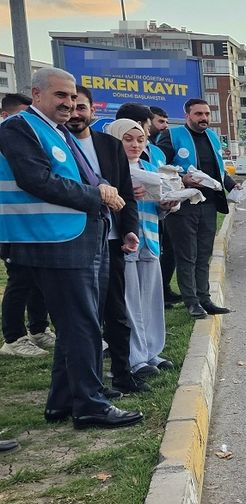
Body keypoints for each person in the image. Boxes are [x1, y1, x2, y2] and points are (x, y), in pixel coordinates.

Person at [0, 67, 143, 429]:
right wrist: (96, 195)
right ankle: (90, 405)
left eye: (72, 97)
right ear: (36, 95)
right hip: (51, 239)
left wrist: (101, 193)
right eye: (60, 96)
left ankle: (63, 401)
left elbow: (75, 178)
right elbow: (36, 180)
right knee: (82, 325)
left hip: (75, 234)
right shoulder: (20, 127)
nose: (68, 104)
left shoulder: (55, 131)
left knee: (75, 324)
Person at [67, 86, 151, 395]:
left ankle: (122, 373)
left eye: (81, 107)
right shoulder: (57, 143)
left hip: (112, 238)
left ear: (92, 111)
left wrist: (130, 229)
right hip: (74, 240)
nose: (75, 112)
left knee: (116, 311)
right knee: (84, 316)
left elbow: (125, 193)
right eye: (70, 106)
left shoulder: (108, 145)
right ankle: (91, 384)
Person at [107, 118, 176, 381]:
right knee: (129, 301)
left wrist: (167, 205)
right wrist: (125, 193)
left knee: (151, 299)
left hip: (150, 240)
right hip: (124, 241)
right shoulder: (111, 169)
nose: (135, 145)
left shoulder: (149, 168)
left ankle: (152, 351)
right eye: (128, 139)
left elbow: (158, 205)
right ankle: (134, 357)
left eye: (140, 140)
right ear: (116, 139)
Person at [157, 98, 237, 319]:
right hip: (183, 206)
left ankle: (205, 299)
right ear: (187, 116)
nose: (204, 118)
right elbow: (159, 169)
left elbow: (218, 171)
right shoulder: (172, 136)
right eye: (198, 114)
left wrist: (233, 186)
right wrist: (183, 179)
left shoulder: (212, 137)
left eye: (207, 114)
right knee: (187, 255)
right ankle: (191, 302)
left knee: (204, 254)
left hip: (209, 204)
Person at [0, 93, 54, 358]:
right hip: (10, 225)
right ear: (5, 115)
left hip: (32, 222)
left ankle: (38, 329)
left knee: (38, 278)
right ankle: (13, 338)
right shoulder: (6, 136)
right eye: (22, 115)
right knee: (19, 280)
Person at [149, 106, 181, 305]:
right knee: (156, 253)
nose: (164, 126)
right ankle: (156, 294)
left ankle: (164, 289)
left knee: (170, 249)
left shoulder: (156, 149)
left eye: (166, 122)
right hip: (146, 212)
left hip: (163, 208)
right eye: (160, 121)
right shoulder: (143, 147)